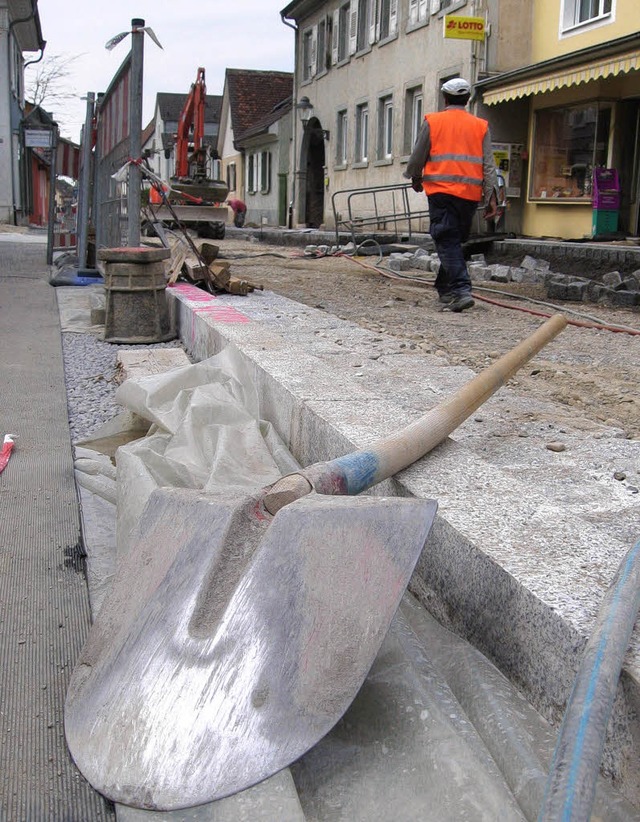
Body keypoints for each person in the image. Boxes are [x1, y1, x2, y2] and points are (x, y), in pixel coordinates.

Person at [405, 78, 498, 313]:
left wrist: (416, 177)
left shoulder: (433, 122)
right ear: (467, 100)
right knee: (454, 241)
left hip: (441, 192)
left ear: (444, 98)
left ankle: (461, 290)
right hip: (469, 195)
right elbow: (489, 164)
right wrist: (491, 196)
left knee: (445, 239)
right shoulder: (480, 126)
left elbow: (418, 156)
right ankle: (445, 289)